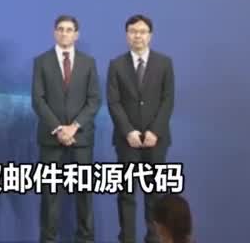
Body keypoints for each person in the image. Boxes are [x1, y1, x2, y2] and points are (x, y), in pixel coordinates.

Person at [31, 15, 101, 243]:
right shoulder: (41, 61)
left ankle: (85, 239)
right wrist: (59, 129)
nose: (64, 33)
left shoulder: (88, 62)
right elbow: (38, 100)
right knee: (50, 196)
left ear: (76, 34)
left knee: (84, 195)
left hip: (81, 139)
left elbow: (94, 100)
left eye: (69, 29)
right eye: (60, 29)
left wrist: (74, 127)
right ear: (54, 32)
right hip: (51, 139)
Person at [107, 14, 176, 243]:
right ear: (127, 35)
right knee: (126, 194)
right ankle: (127, 238)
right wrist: (128, 131)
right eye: (133, 31)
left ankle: (154, 238)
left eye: (143, 31)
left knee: (154, 194)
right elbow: (114, 102)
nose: (138, 35)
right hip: (127, 141)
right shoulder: (116, 65)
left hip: (156, 140)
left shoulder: (164, 63)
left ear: (150, 35)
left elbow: (168, 99)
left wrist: (155, 131)